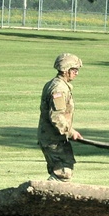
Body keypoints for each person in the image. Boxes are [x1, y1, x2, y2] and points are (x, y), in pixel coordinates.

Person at [37, 53, 84, 182]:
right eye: (74, 70)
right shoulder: (59, 88)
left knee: (64, 170)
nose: (77, 73)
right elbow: (57, 116)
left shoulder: (57, 84)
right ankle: (42, 197)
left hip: (56, 137)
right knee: (63, 173)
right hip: (53, 139)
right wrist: (70, 131)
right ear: (65, 70)